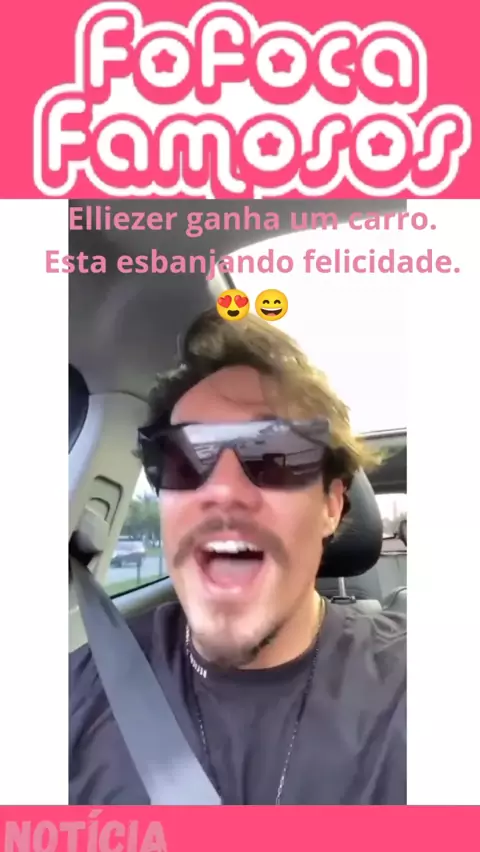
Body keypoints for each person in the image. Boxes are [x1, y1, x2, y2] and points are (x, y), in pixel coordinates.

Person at [70, 308, 406, 805]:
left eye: (274, 456)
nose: (223, 491)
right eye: (185, 460)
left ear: (332, 507)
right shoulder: (76, 696)